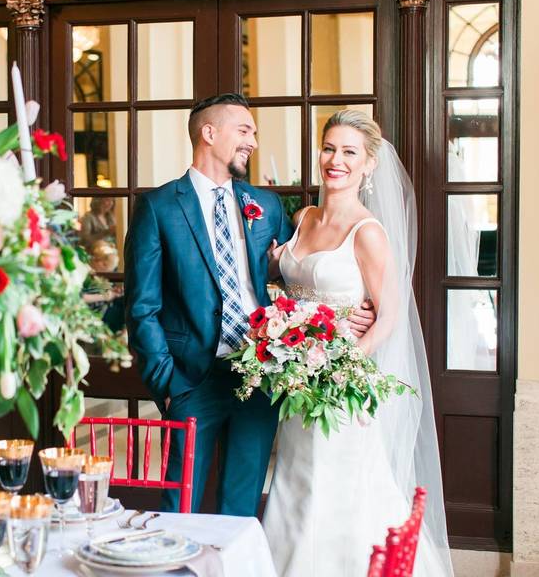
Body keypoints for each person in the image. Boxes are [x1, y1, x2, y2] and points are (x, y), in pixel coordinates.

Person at [124, 93, 375, 515]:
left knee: (240, 507)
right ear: (209, 133)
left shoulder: (266, 205)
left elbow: (300, 271)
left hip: (258, 374)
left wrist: (350, 309)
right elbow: (141, 306)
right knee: (177, 507)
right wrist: (167, 383)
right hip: (191, 380)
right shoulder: (158, 207)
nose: (253, 142)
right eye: (244, 131)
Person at [262, 109, 453, 575]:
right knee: (294, 485)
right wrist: (274, 271)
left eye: (349, 152)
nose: (336, 160)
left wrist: (342, 365)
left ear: (368, 164)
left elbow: (388, 317)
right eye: (329, 148)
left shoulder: (367, 233)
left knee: (338, 492)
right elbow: (293, 287)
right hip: (296, 383)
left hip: (338, 389)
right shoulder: (304, 217)